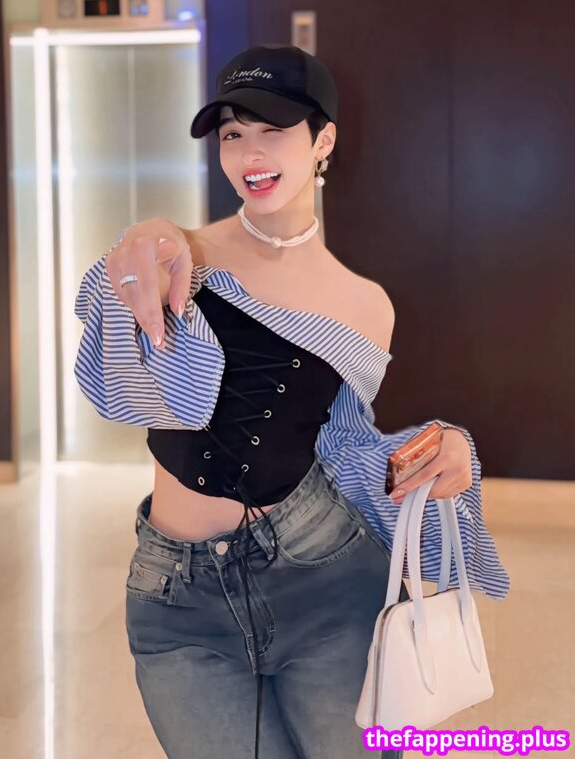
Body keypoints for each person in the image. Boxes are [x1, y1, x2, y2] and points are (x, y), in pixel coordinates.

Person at [74, 44, 510, 759]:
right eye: (232, 133)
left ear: (323, 141)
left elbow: (344, 447)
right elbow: (123, 380)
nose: (251, 153)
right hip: (177, 599)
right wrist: (143, 239)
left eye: (274, 130)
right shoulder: (179, 258)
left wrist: (448, 444)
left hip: (324, 578)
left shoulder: (366, 305)